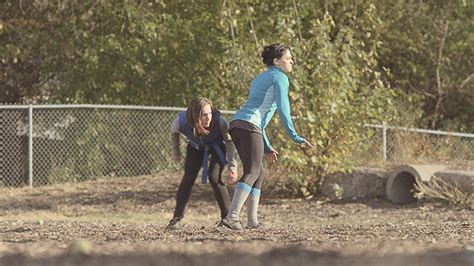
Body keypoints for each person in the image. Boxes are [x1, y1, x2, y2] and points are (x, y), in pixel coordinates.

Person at [222, 44, 313, 230]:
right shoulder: (280, 77)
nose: (292, 61)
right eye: (288, 58)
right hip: (249, 125)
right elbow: (283, 109)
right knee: (252, 171)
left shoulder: (260, 78)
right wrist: (294, 136)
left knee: (258, 172)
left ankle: (252, 222)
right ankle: (232, 217)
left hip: (237, 124)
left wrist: (268, 146)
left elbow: (260, 118)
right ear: (276, 61)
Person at [166, 97, 238, 229]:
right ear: (194, 115)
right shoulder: (181, 122)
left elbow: (229, 142)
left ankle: (227, 219)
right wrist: (176, 152)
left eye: (209, 113)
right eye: (204, 115)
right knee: (188, 178)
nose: (208, 117)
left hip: (217, 146)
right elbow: (173, 132)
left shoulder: (220, 122)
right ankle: (176, 219)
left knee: (214, 177)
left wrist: (232, 165)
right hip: (195, 147)